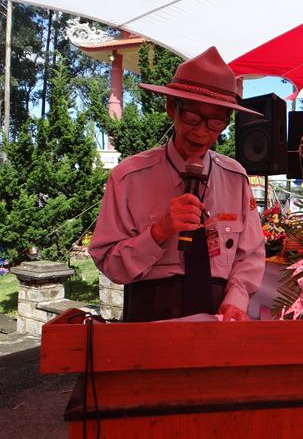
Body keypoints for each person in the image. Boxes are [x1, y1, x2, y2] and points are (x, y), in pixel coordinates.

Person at [89, 46, 266, 322]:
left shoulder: (236, 179)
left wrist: (236, 299)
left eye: (215, 122)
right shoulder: (128, 178)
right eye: (192, 117)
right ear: (172, 108)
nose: (201, 132)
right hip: (149, 319)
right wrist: (159, 231)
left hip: (217, 318)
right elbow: (109, 263)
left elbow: (251, 254)